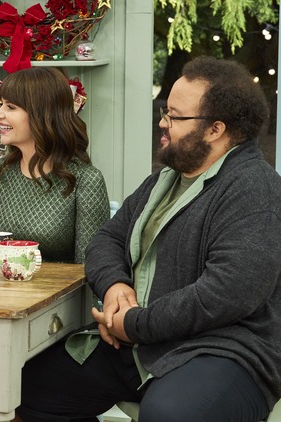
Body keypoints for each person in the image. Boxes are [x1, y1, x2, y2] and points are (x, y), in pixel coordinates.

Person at [15, 56, 281, 422]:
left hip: (224, 351)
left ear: (216, 129)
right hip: (139, 342)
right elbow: (106, 240)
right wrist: (113, 287)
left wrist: (133, 323)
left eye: (175, 116)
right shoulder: (164, 180)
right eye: (165, 112)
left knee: (171, 414)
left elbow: (226, 293)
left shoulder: (254, 188)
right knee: (26, 385)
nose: (163, 122)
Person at [0, 66, 110, 421]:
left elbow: (90, 274)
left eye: (10, 106)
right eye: (1, 105)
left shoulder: (85, 181)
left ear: (41, 114)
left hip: (54, 322)